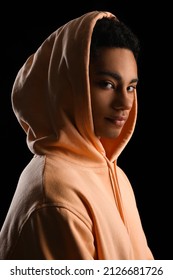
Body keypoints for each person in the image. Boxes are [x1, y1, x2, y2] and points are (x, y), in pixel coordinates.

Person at [0, 10, 154, 260]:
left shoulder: (114, 175)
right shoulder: (54, 198)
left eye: (131, 87)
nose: (125, 103)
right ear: (70, 86)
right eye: (107, 84)